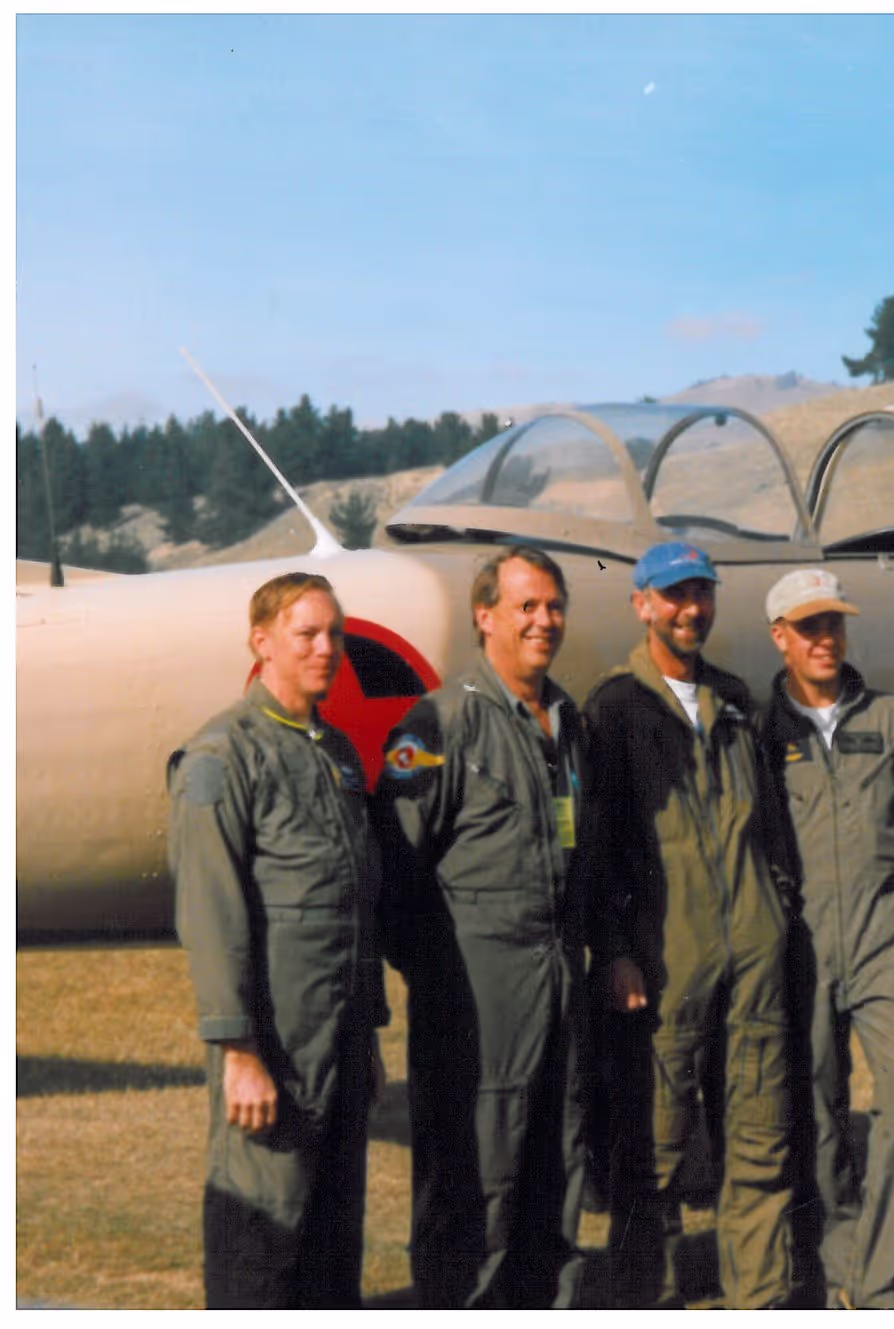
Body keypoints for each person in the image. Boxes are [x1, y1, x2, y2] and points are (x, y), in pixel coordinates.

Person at [372, 546, 590, 1308]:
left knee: (557, 1163)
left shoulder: (568, 719)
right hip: (474, 993)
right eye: (526, 605)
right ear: (485, 615)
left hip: (558, 980)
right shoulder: (440, 720)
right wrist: (438, 974)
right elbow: (394, 862)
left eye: (554, 604)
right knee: (477, 1176)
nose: (543, 620)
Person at [579, 540, 792, 1310]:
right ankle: (644, 1300)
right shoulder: (611, 710)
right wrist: (615, 950)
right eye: (673, 595)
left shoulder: (738, 703)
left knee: (760, 1147)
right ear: (641, 604)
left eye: (700, 593)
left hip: (754, 967)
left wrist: (778, 920)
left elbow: (770, 831)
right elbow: (595, 852)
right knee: (652, 1154)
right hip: (664, 970)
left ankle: (759, 1300)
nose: (690, 608)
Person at [756, 568, 894, 1309]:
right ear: (779, 636)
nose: (825, 639)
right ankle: (841, 1258)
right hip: (802, 946)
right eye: (808, 626)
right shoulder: (759, 733)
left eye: (834, 624)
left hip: (891, 938)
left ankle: (884, 1280)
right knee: (814, 1112)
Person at [168, 571, 385, 1308]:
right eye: (308, 633)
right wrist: (237, 1051)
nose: (328, 648)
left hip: (340, 1045)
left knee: (331, 1247)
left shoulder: (335, 752)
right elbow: (210, 912)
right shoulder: (224, 755)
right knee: (260, 1240)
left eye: (336, 633)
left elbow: (350, 905)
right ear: (261, 642)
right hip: (272, 1052)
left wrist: (369, 1037)